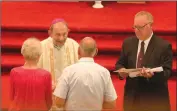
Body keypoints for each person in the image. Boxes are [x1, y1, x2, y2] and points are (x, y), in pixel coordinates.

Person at [115, 11, 173, 111]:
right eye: (134, 27)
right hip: (132, 99)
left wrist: (152, 75)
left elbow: (167, 72)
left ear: (150, 25)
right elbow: (120, 63)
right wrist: (121, 71)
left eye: (140, 27)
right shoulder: (128, 43)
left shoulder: (163, 46)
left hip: (153, 99)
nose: (136, 30)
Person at [53, 37, 117, 111]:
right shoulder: (104, 72)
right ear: (96, 51)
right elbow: (111, 104)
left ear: (78, 51)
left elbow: (58, 102)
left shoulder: (69, 71)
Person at [9, 37, 52, 111]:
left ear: (23, 53)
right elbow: (49, 102)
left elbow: (12, 97)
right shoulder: (46, 75)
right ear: (39, 55)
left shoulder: (14, 72)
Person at [38, 18, 79, 85]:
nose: (61, 38)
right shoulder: (41, 47)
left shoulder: (74, 45)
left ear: (68, 31)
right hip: (49, 90)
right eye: (58, 34)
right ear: (50, 33)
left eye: (64, 34)